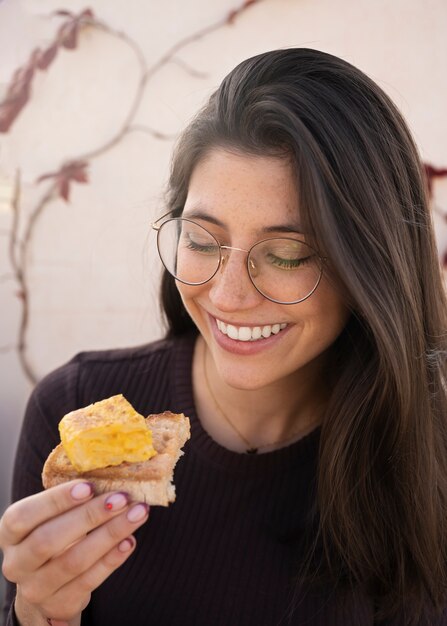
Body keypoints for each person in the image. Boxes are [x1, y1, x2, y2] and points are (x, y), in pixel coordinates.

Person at [1, 47, 447, 626]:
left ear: (371, 265)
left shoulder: (428, 457)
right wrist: (38, 615)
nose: (229, 295)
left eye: (287, 254)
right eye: (204, 241)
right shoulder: (69, 405)